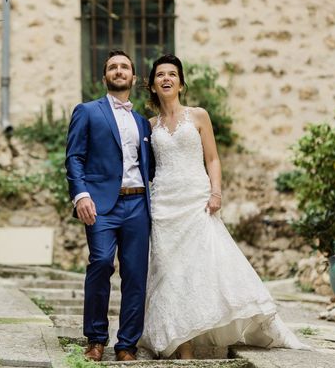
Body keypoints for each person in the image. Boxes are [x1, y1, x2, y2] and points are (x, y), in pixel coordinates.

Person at [139, 54, 308, 359]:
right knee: (169, 271)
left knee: (200, 267)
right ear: (152, 85)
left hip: (196, 199)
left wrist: (216, 192)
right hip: (164, 202)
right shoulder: (149, 125)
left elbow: (213, 159)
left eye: (172, 74)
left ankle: (198, 335)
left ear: (181, 83)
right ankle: (182, 343)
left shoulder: (199, 116)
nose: (166, 78)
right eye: (160, 74)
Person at [65, 50, 154, 362]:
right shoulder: (87, 111)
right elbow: (74, 157)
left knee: (135, 274)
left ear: (133, 77)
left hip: (138, 204)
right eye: (113, 67)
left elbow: (152, 167)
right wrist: (81, 196)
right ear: (105, 77)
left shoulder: (143, 123)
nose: (119, 71)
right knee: (101, 263)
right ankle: (95, 338)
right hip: (101, 205)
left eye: (125, 67)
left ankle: (127, 344)